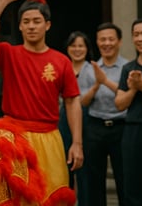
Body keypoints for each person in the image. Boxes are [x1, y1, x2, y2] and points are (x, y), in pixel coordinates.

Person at [0, 0, 83, 206]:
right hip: (15, 138)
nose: (32, 25)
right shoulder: (9, 54)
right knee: (17, 199)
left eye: (37, 21)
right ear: (20, 26)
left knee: (54, 196)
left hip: (50, 137)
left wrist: (77, 142)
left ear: (48, 25)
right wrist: (1, 1)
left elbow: (73, 102)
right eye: (26, 21)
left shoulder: (61, 61)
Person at [77, 22, 127, 206]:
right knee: (94, 180)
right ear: (97, 42)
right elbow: (82, 101)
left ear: (119, 41)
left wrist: (105, 81)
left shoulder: (127, 67)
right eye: (102, 39)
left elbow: (128, 97)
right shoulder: (89, 69)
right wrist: (97, 84)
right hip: (95, 126)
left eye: (111, 39)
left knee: (124, 178)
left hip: (121, 127)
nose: (107, 43)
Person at [115, 17, 142, 206]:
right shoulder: (128, 68)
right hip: (133, 133)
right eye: (136, 35)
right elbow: (120, 104)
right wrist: (133, 88)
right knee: (134, 190)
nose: (140, 38)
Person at [59, 31, 91, 205]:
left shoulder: (93, 69)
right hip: (61, 123)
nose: (77, 49)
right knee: (64, 170)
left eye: (81, 46)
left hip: (88, 124)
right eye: (73, 45)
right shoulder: (60, 66)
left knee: (85, 173)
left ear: (87, 48)